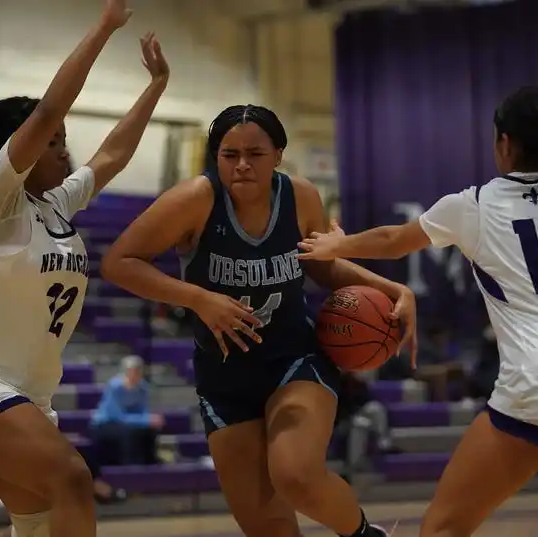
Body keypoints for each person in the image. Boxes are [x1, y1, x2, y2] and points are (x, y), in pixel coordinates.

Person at [298, 86, 538, 536]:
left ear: (504, 143)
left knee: (443, 529)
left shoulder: (474, 205)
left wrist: (338, 244)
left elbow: (393, 241)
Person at [100, 104, 417, 537]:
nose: (242, 164)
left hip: (294, 359)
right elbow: (119, 262)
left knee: (295, 475)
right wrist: (199, 298)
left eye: (255, 153)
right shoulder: (195, 199)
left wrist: (392, 289)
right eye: (229, 154)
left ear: (279, 154)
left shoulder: (301, 197)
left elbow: (322, 267)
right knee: (266, 526)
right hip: (224, 376)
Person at [0, 1, 170, 535]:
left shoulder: (55, 205)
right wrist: (106, 25)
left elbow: (113, 155)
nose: (66, 154)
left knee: (38, 525)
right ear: (19, 151)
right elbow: (44, 114)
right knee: (73, 480)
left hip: (31, 393)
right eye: (55, 144)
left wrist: (155, 85)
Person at [90, 355, 162, 466]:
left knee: (150, 430)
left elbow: (143, 411)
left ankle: (150, 463)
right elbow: (117, 416)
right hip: (107, 423)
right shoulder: (115, 387)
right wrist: (145, 421)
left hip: (130, 422)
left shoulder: (142, 387)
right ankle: (130, 466)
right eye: (132, 371)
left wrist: (149, 420)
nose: (135, 375)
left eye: (138, 371)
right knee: (128, 432)